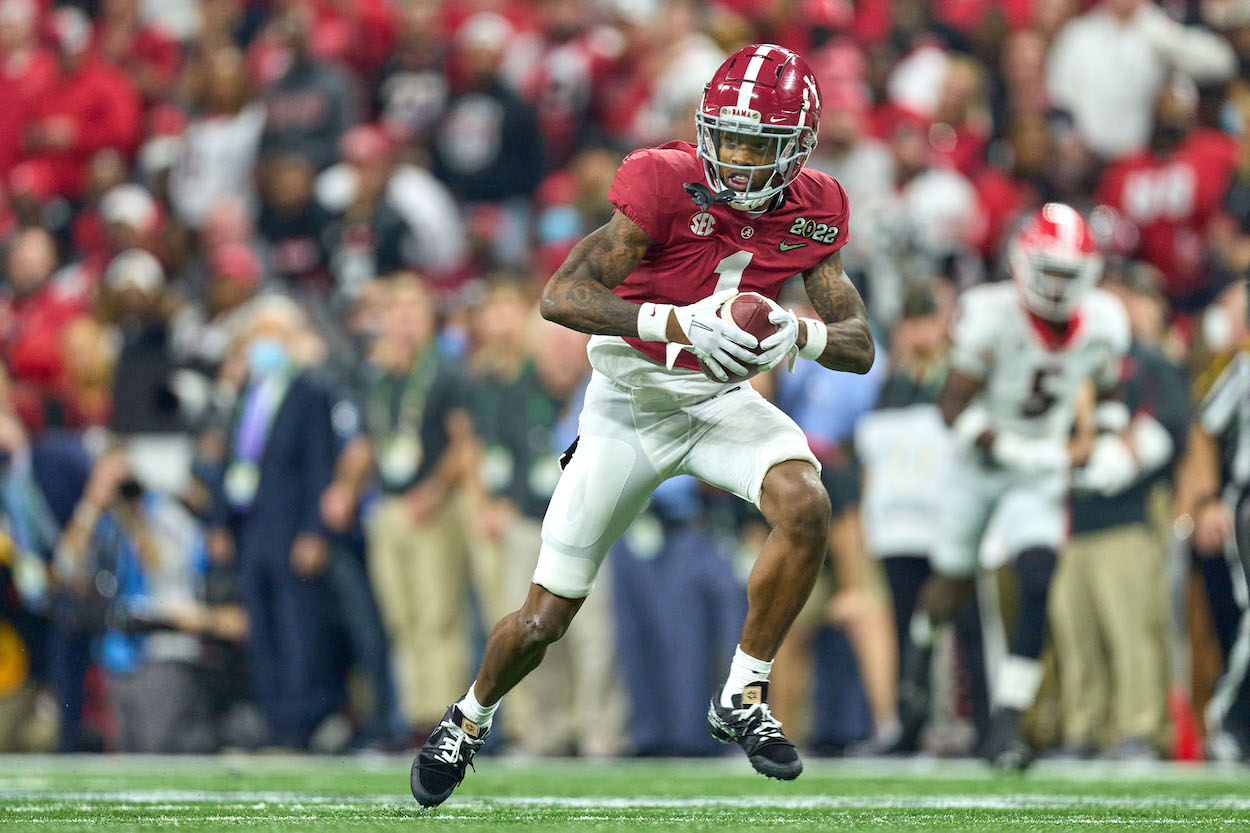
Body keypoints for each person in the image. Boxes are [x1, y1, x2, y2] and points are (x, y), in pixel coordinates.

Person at [411, 44, 874, 807]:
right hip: (630, 404)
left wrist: (798, 333)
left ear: (797, 148)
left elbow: (857, 341)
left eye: (759, 144)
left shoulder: (816, 206)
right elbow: (561, 295)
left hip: (719, 403)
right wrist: (676, 323)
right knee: (543, 618)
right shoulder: (665, 179)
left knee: (806, 502)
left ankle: (743, 693)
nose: (737, 156)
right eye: (727, 137)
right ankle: (468, 718)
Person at [890, 203, 1132, 769]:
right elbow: (951, 406)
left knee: (1038, 576)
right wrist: (1006, 446)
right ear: (1022, 263)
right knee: (950, 582)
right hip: (979, 463)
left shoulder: (1103, 321)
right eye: (1048, 270)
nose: (1055, 286)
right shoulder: (990, 313)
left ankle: (1007, 723)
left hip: (1038, 470)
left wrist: (1111, 443)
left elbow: (1112, 391)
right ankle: (920, 661)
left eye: (1068, 275)